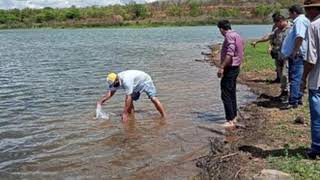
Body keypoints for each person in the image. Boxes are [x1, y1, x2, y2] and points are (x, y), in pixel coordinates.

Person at [96, 70, 166, 122]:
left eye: (115, 84)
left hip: (145, 81)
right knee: (131, 100)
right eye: (113, 85)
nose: (114, 86)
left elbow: (128, 97)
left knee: (153, 98)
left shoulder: (126, 81)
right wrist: (100, 102)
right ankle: (132, 118)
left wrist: (124, 113)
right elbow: (110, 93)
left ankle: (164, 116)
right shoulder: (114, 82)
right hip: (135, 84)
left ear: (117, 79)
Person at [252, 13, 292, 101]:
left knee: (286, 74)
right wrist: (257, 41)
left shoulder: (292, 28)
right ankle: (284, 91)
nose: (275, 25)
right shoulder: (277, 29)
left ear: (281, 21)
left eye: (276, 23)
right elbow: (268, 37)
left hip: (289, 56)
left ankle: (289, 94)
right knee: (281, 74)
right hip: (279, 55)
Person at [281, 4, 311, 109]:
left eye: (290, 13)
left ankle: (294, 101)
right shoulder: (302, 20)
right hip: (298, 53)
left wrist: (295, 50)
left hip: (297, 54)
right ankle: (297, 98)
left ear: (294, 12)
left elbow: (300, 36)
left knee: (295, 77)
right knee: (297, 77)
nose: (289, 15)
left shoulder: (299, 21)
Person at [301, 0, 320, 159]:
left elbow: (311, 59)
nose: (306, 14)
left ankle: (317, 149)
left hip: (318, 80)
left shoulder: (314, 26)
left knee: (317, 117)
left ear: (314, 9)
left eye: (308, 10)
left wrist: (303, 78)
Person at [217, 20, 244, 127]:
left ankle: (230, 120)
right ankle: (234, 116)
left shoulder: (229, 36)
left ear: (221, 29)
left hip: (230, 68)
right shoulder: (236, 34)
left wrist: (221, 67)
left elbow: (230, 53)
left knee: (225, 94)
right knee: (231, 92)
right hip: (235, 67)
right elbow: (243, 46)